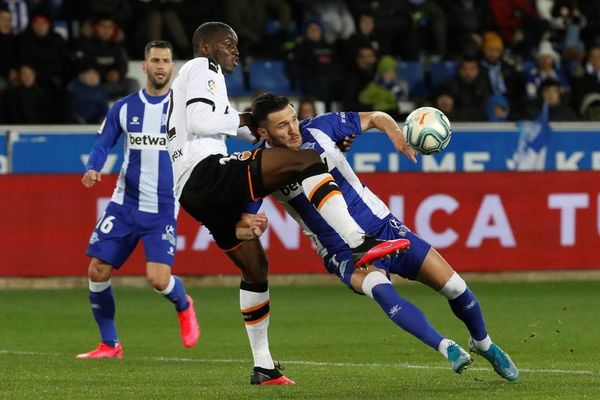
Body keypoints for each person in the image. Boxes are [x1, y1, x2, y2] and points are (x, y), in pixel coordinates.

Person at [166, 21, 412, 385]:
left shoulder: (195, 78)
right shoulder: (204, 68)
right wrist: (248, 118)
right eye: (228, 44)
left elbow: (211, 123)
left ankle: (264, 367)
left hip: (194, 190)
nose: (236, 50)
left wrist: (248, 126)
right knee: (306, 160)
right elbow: (202, 122)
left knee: (255, 268)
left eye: (236, 45)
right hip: (205, 173)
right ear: (205, 47)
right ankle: (358, 241)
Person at [248, 92, 519, 381]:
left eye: (294, 119)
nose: (293, 130)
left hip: (384, 226)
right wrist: (248, 220)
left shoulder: (320, 126)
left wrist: (394, 132)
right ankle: (446, 346)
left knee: (455, 287)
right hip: (340, 249)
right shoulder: (262, 166)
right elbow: (246, 205)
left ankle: (483, 343)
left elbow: (377, 117)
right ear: (263, 132)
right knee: (381, 289)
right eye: (282, 126)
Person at [76, 40, 200, 359]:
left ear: (173, 68)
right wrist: (93, 168)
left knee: (158, 279)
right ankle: (109, 344)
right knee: (97, 270)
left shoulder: (185, 111)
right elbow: (103, 143)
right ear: (144, 66)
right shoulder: (124, 107)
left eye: (166, 61)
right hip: (124, 205)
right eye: (155, 60)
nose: (160, 66)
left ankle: (184, 304)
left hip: (161, 209)